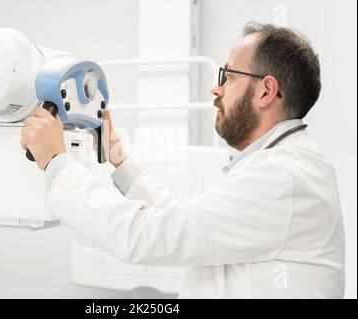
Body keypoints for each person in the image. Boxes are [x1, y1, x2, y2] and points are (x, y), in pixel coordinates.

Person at [20, 22, 345, 298]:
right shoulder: (282, 165)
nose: (214, 88)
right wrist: (119, 160)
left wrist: (56, 162)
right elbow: (185, 223)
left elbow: (147, 236)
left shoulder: (281, 176)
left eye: (227, 75)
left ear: (265, 92)